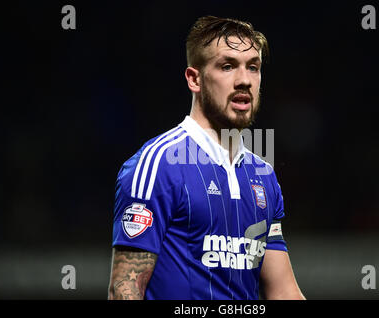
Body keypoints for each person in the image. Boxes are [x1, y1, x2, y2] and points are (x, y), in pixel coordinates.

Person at [108, 16, 305, 300]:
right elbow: (124, 290)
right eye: (227, 66)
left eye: (253, 67)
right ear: (194, 79)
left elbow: (284, 292)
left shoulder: (263, 174)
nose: (244, 80)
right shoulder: (158, 164)